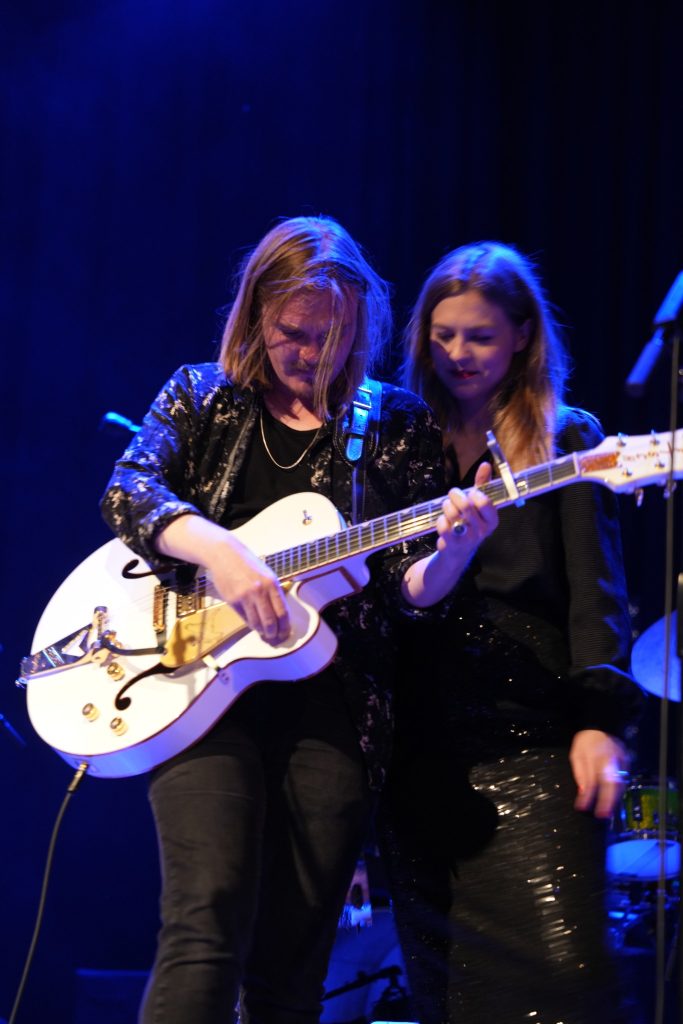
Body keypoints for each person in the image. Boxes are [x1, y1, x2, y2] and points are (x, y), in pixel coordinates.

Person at [99, 216, 498, 1024]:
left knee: (293, 962)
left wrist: (453, 553)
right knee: (206, 920)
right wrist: (220, 551)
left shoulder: (395, 424)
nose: (310, 354)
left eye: (330, 336)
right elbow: (128, 490)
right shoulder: (200, 395)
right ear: (255, 314)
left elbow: (407, 591)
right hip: (198, 695)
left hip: (334, 710)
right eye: (291, 333)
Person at [378, 241, 645, 1024]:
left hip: (532, 736)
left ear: (523, 335)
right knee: (447, 994)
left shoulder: (568, 439)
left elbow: (597, 596)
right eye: (443, 335)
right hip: (420, 755)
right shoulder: (402, 439)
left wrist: (598, 720)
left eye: (480, 336)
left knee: (565, 976)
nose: (458, 354)